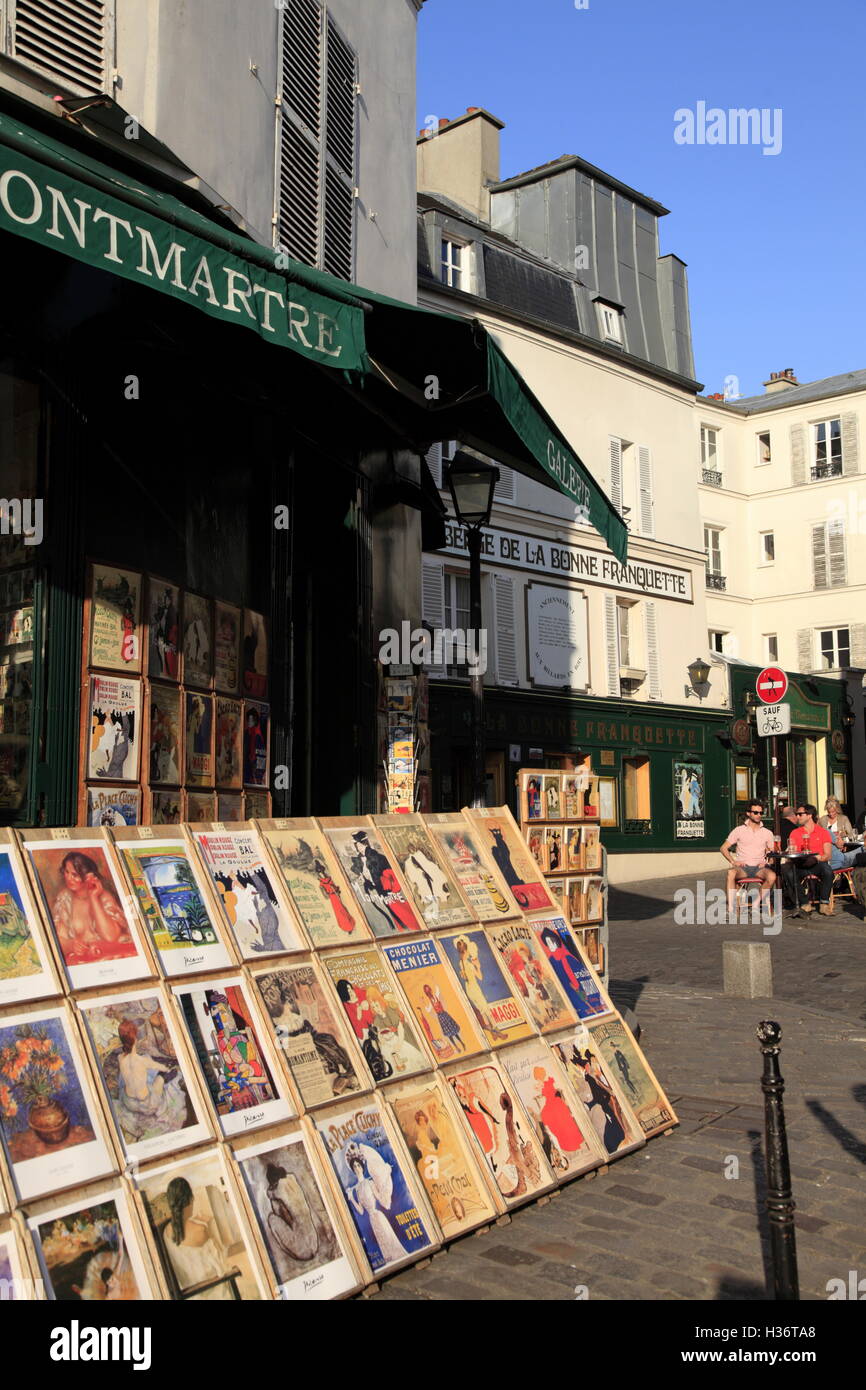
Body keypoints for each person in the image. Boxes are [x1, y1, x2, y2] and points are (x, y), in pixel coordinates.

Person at [720, 802, 776, 911]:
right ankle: (731, 907)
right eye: (755, 812)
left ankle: (756, 903)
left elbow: (772, 854)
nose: (759, 815)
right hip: (743, 867)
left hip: (760, 867)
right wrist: (733, 861)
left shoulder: (767, 833)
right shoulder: (739, 830)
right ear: (748, 813)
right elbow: (723, 848)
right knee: (730, 873)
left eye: (761, 812)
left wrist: (768, 862)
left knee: (772, 876)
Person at [784, 804, 833, 915]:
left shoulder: (823, 832)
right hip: (801, 864)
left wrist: (817, 857)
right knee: (788, 872)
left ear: (810, 815)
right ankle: (804, 903)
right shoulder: (795, 832)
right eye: (796, 814)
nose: (797, 817)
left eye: (800, 814)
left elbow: (828, 855)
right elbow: (793, 852)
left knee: (828, 871)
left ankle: (824, 904)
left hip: (817, 863)